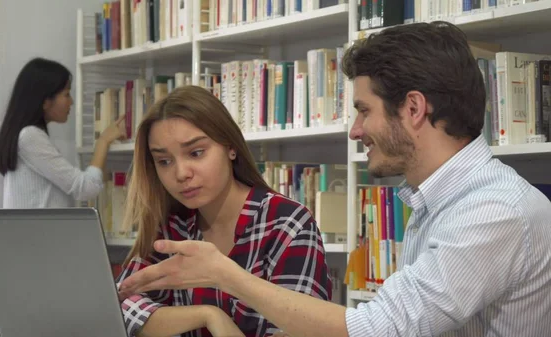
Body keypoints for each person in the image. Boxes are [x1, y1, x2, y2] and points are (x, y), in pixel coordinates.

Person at [117, 21, 551, 337]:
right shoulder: (439, 202)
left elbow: (378, 330)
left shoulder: (493, 211)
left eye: (364, 110)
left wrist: (223, 276)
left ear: (414, 109)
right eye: (163, 161)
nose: (355, 130)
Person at [114, 85, 332, 337]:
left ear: (231, 147)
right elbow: (119, 305)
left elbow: (304, 329)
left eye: (196, 153)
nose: (181, 173)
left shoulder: (287, 223)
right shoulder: (171, 224)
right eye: (164, 161)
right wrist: (208, 316)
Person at [0, 57, 126, 208]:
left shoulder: (25, 135)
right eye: (66, 94)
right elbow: (86, 188)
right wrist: (103, 141)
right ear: (45, 101)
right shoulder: (30, 136)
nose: (72, 102)